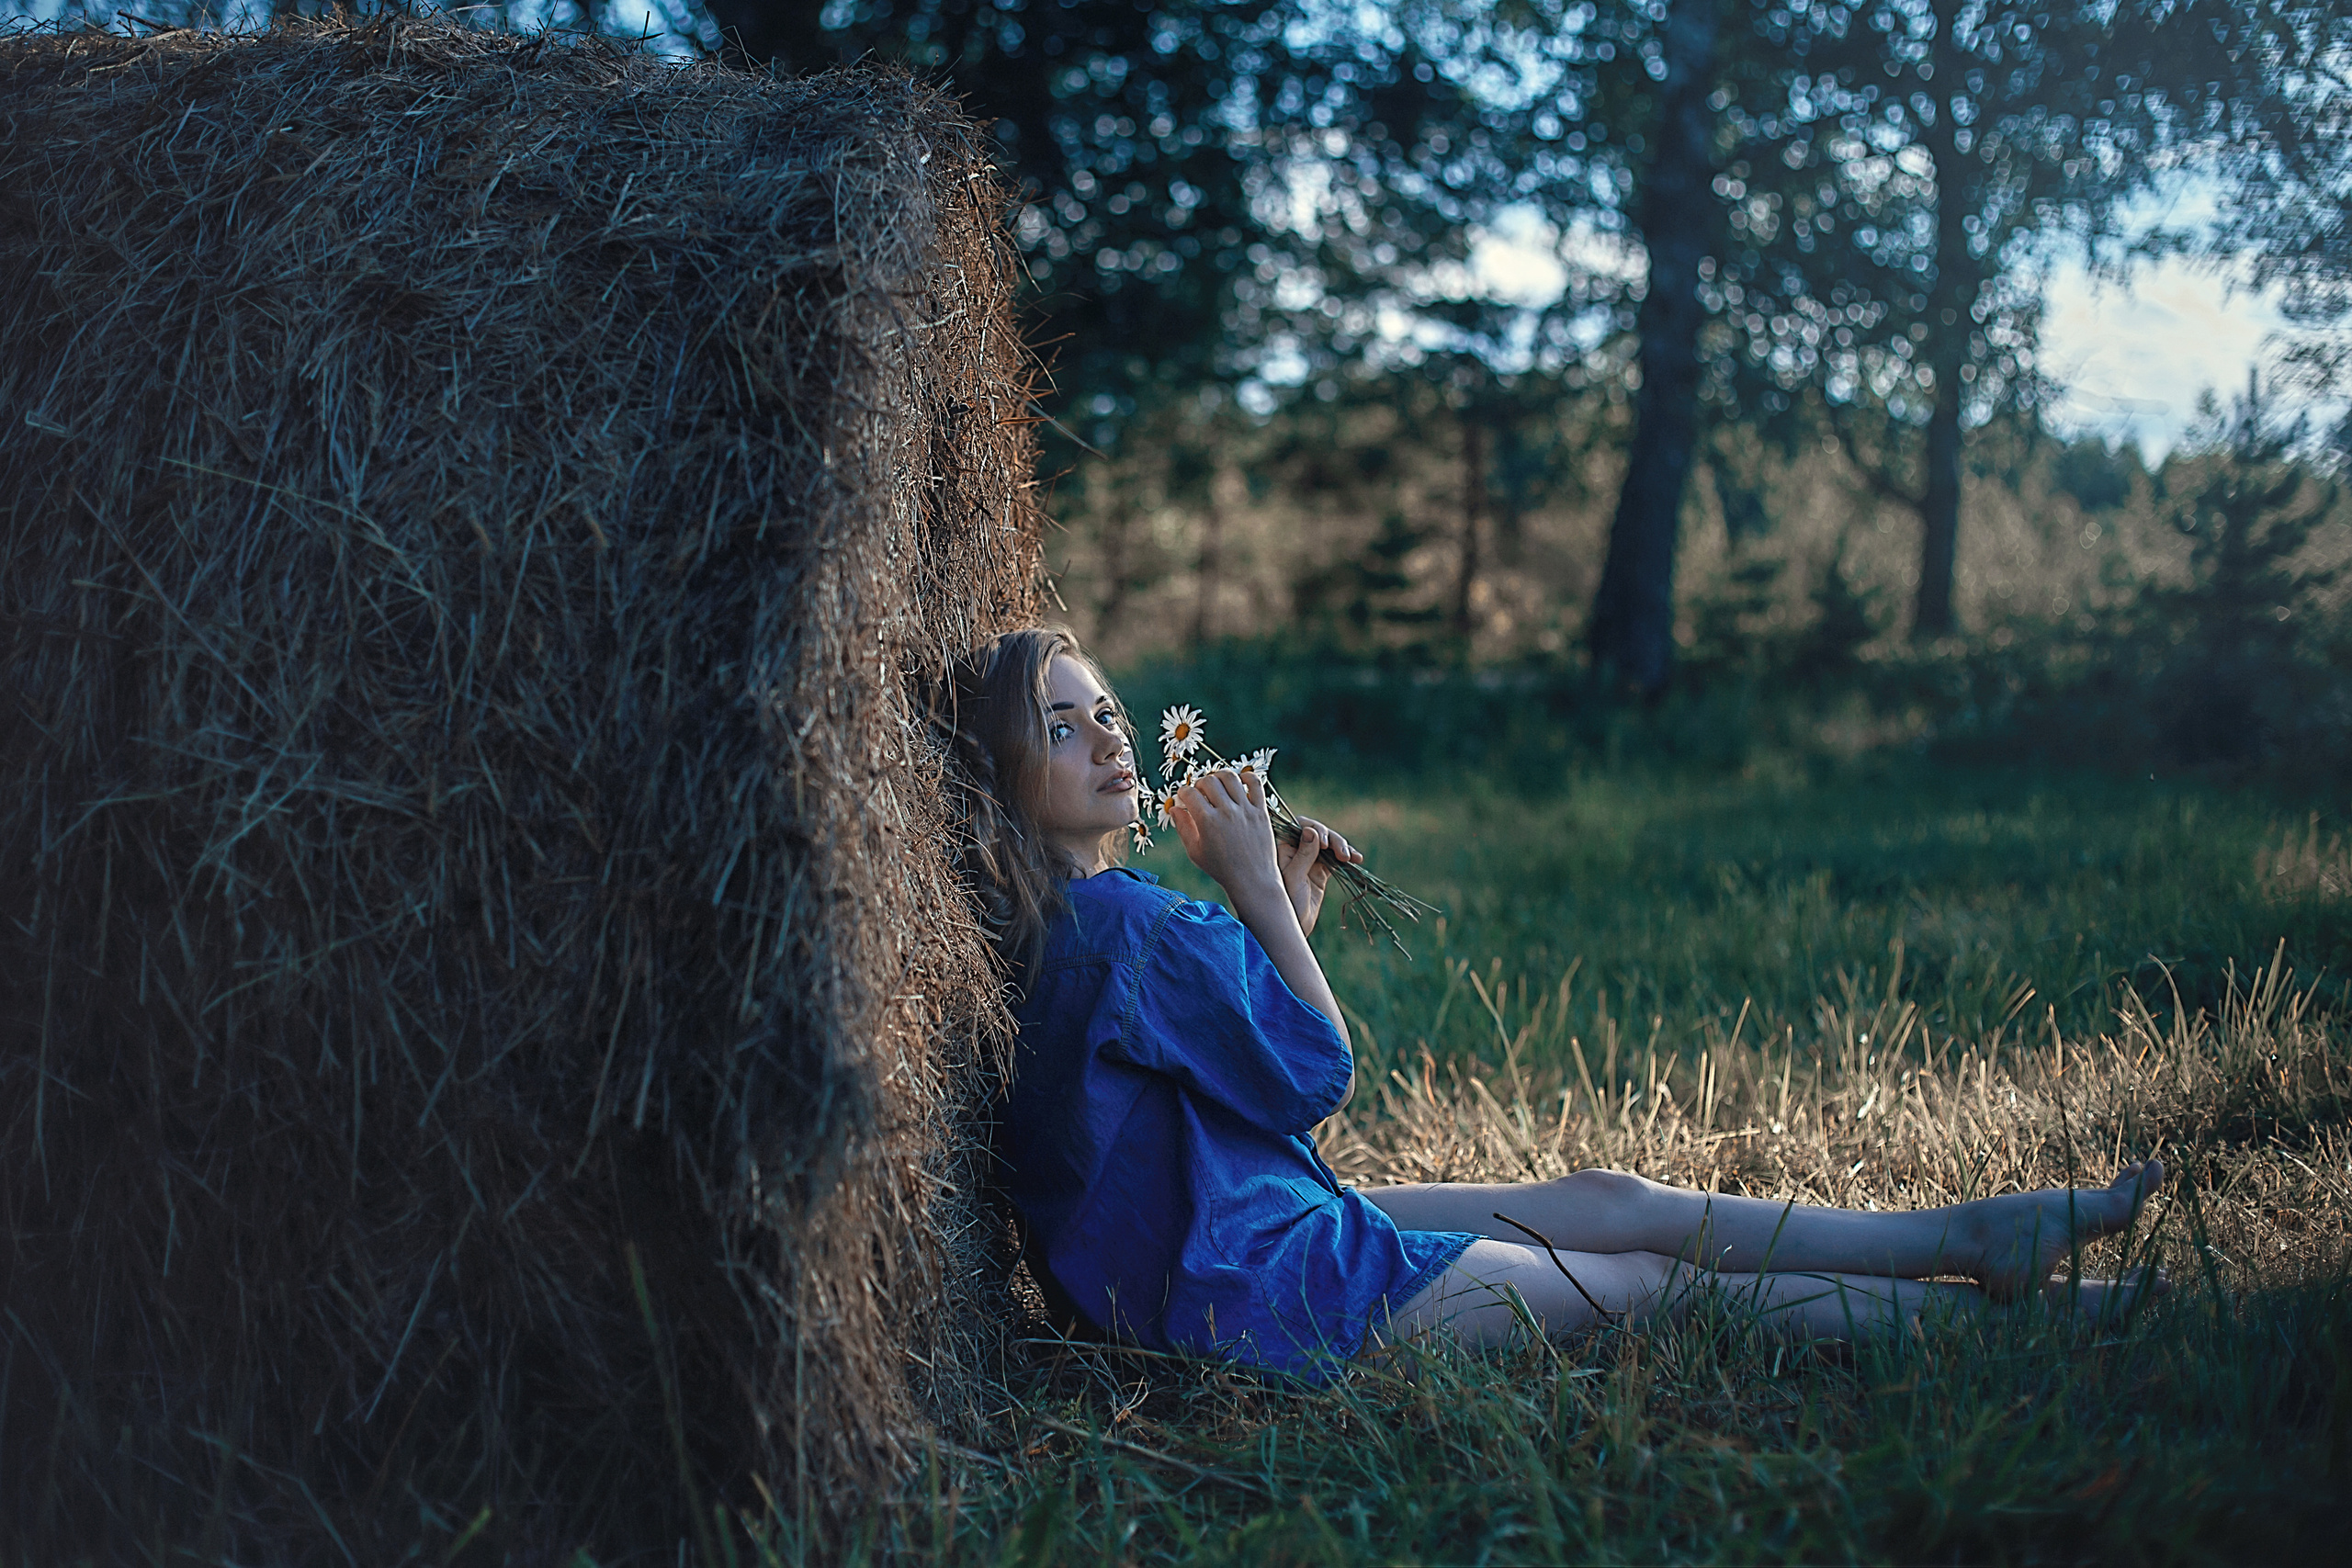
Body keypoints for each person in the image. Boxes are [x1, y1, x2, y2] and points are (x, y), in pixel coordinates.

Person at [945, 628, 2165, 1381]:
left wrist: (1282, 923)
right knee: (1644, 1285)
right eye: (1060, 726)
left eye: (1105, 707)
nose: (1108, 738)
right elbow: (1314, 1077)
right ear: (1002, 770)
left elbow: (1232, 1073)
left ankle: (1970, 1238)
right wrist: (1262, 893)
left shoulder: (1071, 931)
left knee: (1604, 1204)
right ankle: (2002, 1328)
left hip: (1206, 1238)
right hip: (1248, 1292)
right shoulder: (1142, 925)